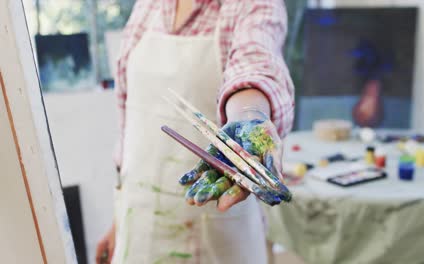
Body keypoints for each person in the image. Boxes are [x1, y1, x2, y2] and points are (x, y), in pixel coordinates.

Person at [96, 0, 294, 263]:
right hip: (138, 232)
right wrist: (118, 224)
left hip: (219, 239)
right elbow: (131, 134)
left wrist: (249, 114)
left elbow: (255, 62)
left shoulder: (253, 5)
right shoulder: (147, 6)